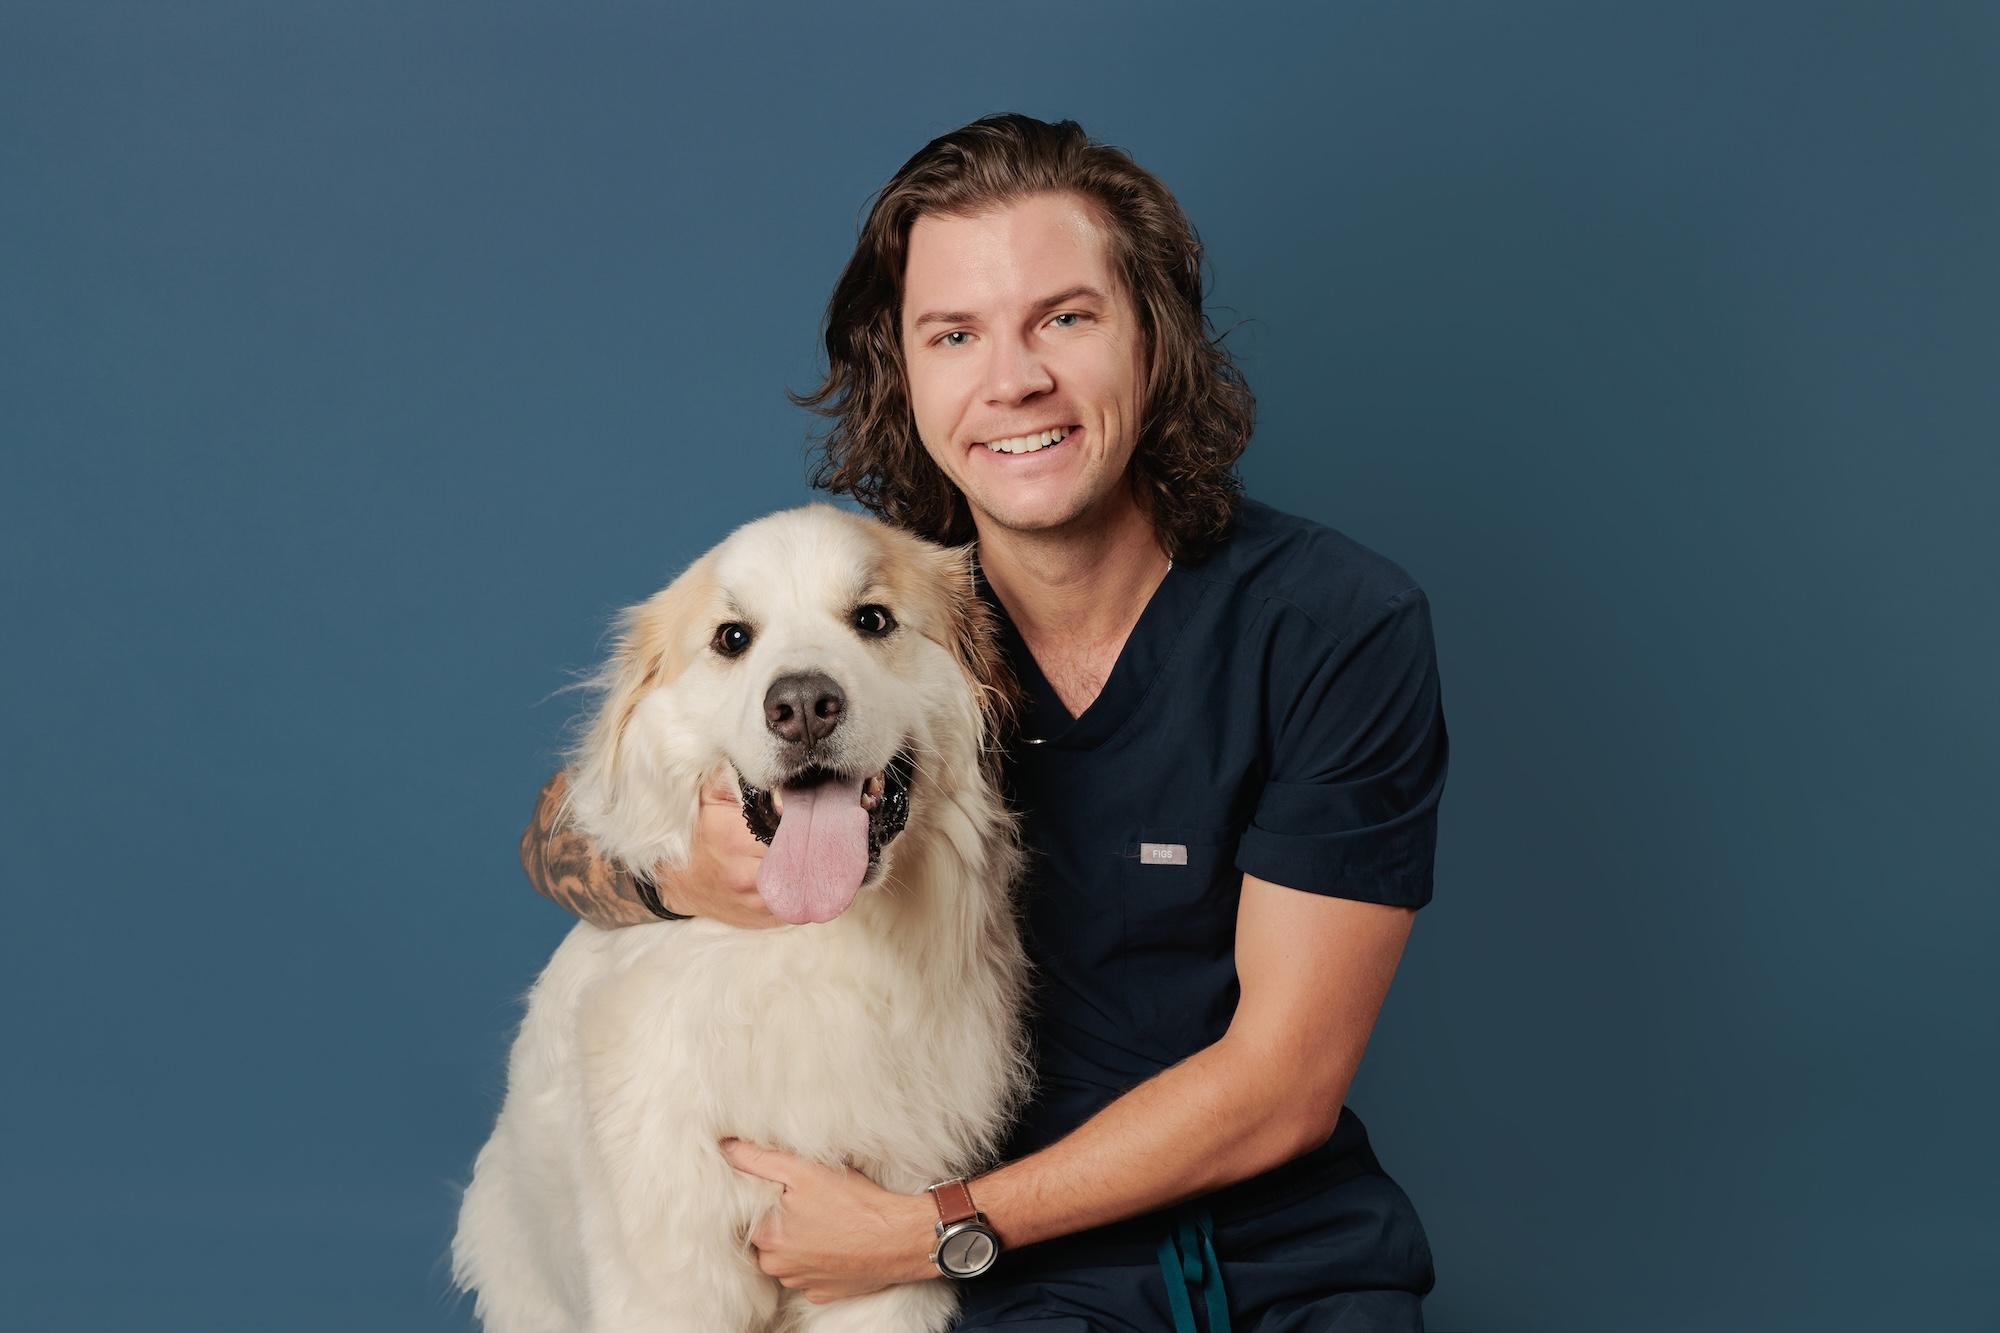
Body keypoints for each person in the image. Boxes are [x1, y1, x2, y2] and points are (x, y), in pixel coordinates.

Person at [518, 114, 1449, 1332]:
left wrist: (931, 1225)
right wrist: (684, 874)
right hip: (1009, 1296)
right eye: (952, 335)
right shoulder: (879, 616)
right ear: (901, 373)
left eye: (1064, 318)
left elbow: (1283, 1083)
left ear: (1153, 337)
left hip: (1281, 1260)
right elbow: (562, 827)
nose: (1012, 381)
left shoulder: (1333, 625)